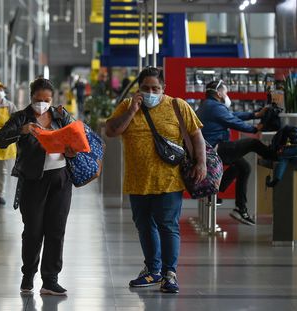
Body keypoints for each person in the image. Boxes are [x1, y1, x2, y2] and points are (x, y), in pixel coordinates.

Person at [105, 67, 207, 293]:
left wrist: (201, 163)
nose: (150, 92)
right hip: (137, 181)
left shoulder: (177, 106)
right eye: (145, 88)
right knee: (144, 226)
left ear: (163, 89)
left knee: (167, 226)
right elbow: (111, 131)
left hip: (169, 181)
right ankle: (152, 270)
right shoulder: (128, 106)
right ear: (138, 88)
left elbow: (196, 135)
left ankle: (169, 274)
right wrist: (132, 110)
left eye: (155, 88)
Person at [0, 77, 76, 296]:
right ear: (31, 98)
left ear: (52, 98)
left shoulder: (61, 114)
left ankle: (50, 279)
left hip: (60, 179)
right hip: (33, 181)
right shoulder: (21, 117)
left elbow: (77, 137)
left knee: (56, 230)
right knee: (33, 231)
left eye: (47, 99)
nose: (42, 103)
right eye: (38, 99)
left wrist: (72, 150)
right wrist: (22, 130)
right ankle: (28, 275)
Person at [196, 80, 275, 225]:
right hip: (215, 150)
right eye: (225, 92)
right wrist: (255, 129)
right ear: (218, 93)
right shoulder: (214, 107)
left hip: (210, 150)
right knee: (253, 143)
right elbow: (233, 121)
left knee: (243, 167)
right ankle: (276, 157)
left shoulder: (208, 105)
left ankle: (234, 205)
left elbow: (232, 115)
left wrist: (255, 114)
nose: (227, 95)